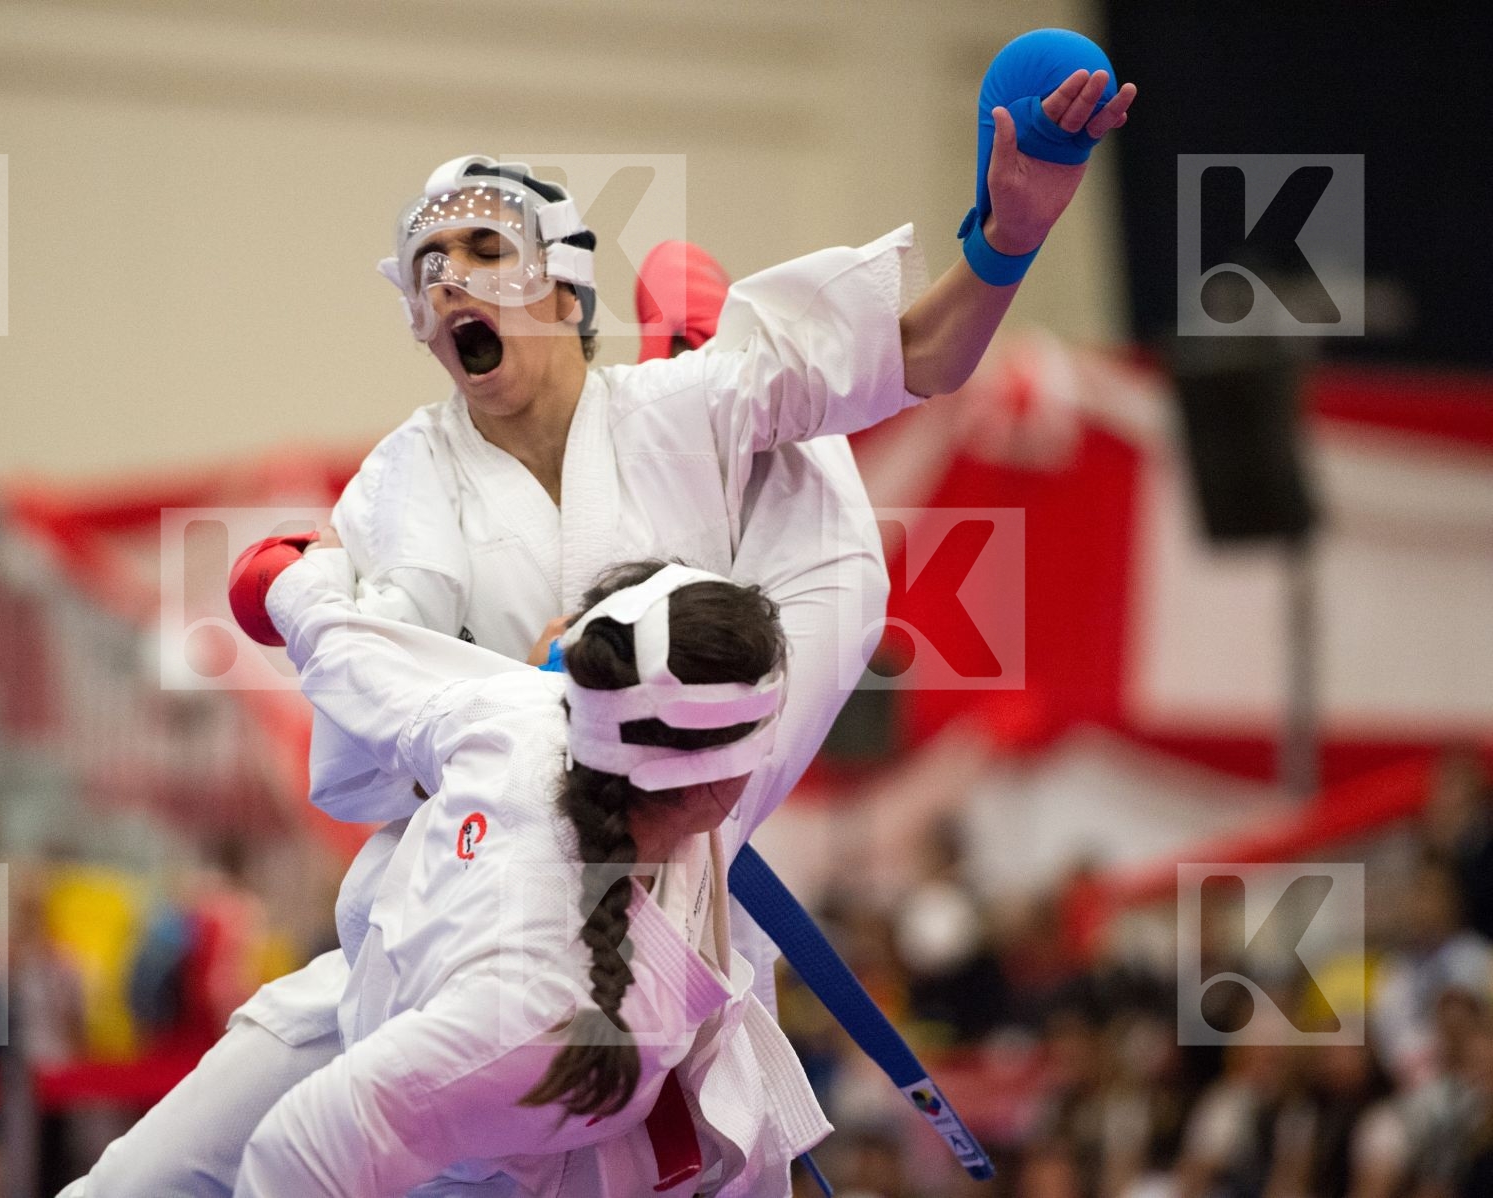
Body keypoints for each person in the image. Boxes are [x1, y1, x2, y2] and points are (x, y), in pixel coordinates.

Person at [73, 54, 1135, 1197]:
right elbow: (388, 732)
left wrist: (1012, 234)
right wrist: (355, 623)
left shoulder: (685, 413)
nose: (448, 278)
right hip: (448, 932)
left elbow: (919, 354)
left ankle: (706, 351)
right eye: (427, 265)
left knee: (804, 475)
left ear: (566, 291)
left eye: (483, 250)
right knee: (132, 1183)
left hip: (644, 959)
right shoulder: (403, 482)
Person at [236, 544, 823, 1195]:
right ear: (718, 779)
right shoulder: (567, 1017)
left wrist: (292, 578)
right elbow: (302, 1149)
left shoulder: (519, 710)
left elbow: (354, 656)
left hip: (425, 1056)